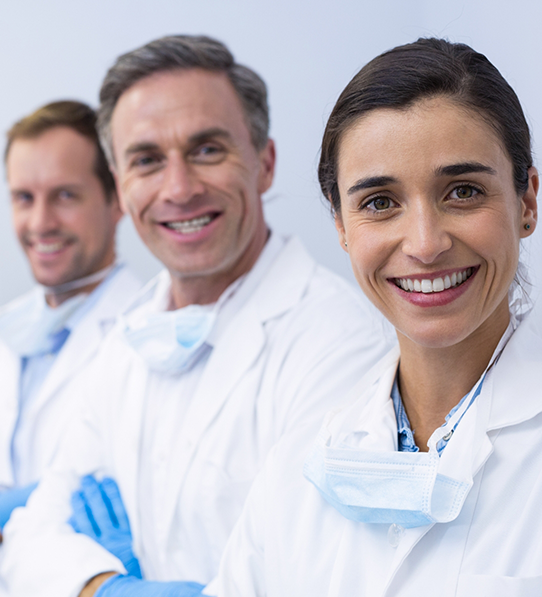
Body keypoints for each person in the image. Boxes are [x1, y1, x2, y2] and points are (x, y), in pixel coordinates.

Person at [0, 35, 391, 597]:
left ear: (265, 163)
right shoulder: (129, 340)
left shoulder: (343, 344)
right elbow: (33, 536)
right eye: (147, 160)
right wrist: (105, 587)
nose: (178, 189)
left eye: (207, 150)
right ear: (121, 185)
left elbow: (320, 577)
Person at [215, 37, 542, 596]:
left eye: (462, 191)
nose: (424, 243)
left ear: (527, 201)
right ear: (342, 226)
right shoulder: (297, 463)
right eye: (379, 202)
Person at [0, 101, 142, 592]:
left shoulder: (147, 337)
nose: (40, 222)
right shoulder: (8, 329)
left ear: (117, 197)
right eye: (23, 197)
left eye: (64, 195)